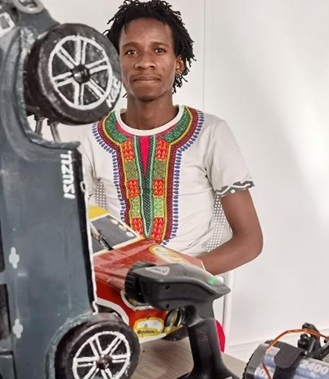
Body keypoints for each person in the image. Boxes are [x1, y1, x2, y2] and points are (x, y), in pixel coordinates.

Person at [79, 0, 262, 275]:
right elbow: (72, 224)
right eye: (130, 51)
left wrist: (182, 271)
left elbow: (250, 241)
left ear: (179, 64)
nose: (144, 62)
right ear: (116, 64)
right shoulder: (92, 136)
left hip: (188, 295)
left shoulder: (210, 132)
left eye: (159, 50)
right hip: (117, 289)